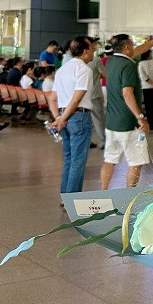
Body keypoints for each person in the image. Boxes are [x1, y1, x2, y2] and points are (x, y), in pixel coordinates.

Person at [99, 34, 150, 189]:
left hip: (112, 122)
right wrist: (140, 117)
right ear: (127, 47)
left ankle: (103, 192)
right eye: (132, 45)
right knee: (137, 160)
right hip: (129, 123)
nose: (134, 48)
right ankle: (129, 196)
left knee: (110, 159)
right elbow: (127, 93)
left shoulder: (110, 62)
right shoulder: (129, 65)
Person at [46, 36, 95, 194]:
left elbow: (52, 99)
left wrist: (58, 118)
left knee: (68, 158)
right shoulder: (84, 70)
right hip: (78, 118)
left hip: (64, 118)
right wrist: (63, 118)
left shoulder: (61, 70)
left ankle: (64, 196)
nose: (94, 52)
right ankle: (72, 199)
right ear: (85, 52)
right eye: (92, 49)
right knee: (78, 161)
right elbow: (76, 100)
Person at [138, 48, 153, 130]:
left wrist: (152, 83)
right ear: (149, 54)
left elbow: (143, 77)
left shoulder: (141, 64)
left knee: (148, 105)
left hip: (146, 87)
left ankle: (150, 122)